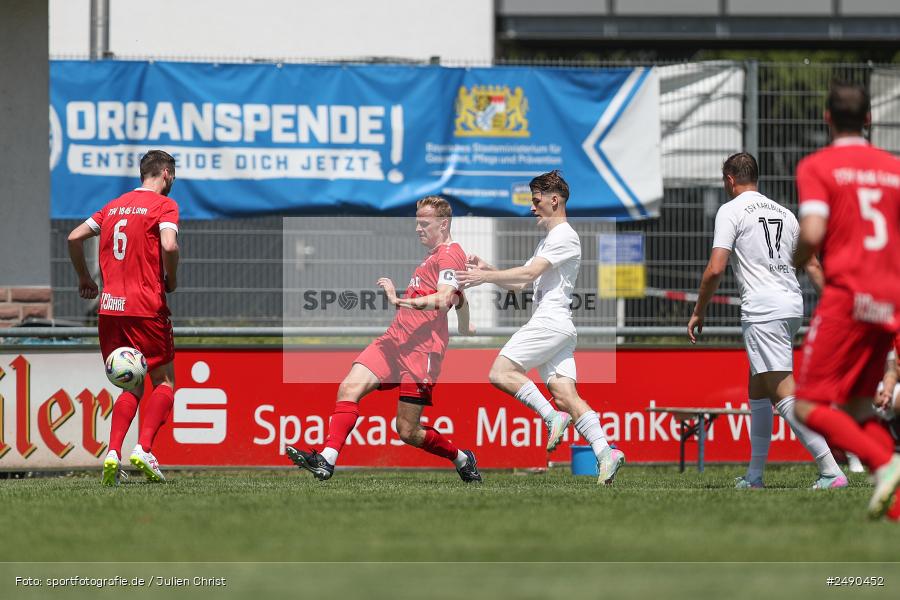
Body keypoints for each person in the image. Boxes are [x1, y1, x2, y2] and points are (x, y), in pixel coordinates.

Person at [287, 196, 482, 482]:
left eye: (424, 223)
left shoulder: (450, 254)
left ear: (443, 224)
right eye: (417, 222)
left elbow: (444, 299)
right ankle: (326, 460)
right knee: (348, 388)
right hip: (394, 341)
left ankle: (462, 458)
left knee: (407, 430)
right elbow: (457, 297)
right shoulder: (434, 256)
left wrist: (399, 301)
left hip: (421, 351)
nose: (417, 228)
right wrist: (465, 326)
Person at [688, 152, 847, 490]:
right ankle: (754, 476)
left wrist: (699, 310)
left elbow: (715, 268)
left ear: (730, 179)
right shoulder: (785, 213)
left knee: (783, 392)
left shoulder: (730, 210)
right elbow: (813, 265)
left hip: (763, 311)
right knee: (758, 389)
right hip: (791, 306)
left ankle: (831, 469)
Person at [456, 170, 625, 485]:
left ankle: (550, 417)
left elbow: (529, 274)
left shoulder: (563, 235)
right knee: (565, 395)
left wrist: (485, 277)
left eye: (536, 201)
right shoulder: (550, 239)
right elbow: (521, 282)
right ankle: (606, 453)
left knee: (500, 373)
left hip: (550, 321)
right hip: (559, 326)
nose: (532, 207)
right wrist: (488, 269)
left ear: (554, 200)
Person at [791, 81, 900, 520]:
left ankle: (886, 463)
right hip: (889, 299)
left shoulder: (818, 166)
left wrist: (797, 259)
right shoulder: (894, 169)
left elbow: (814, 231)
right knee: (858, 407)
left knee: (807, 405)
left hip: (849, 296)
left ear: (827, 118)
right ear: (869, 119)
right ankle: (895, 506)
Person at [67, 149, 180, 486]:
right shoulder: (164, 206)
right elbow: (169, 245)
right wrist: (172, 278)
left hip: (111, 309)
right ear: (166, 174)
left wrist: (84, 278)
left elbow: (74, 237)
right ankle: (143, 449)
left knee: (131, 382)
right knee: (164, 381)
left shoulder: (113, 206)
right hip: (146, 307)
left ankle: (113, 453)